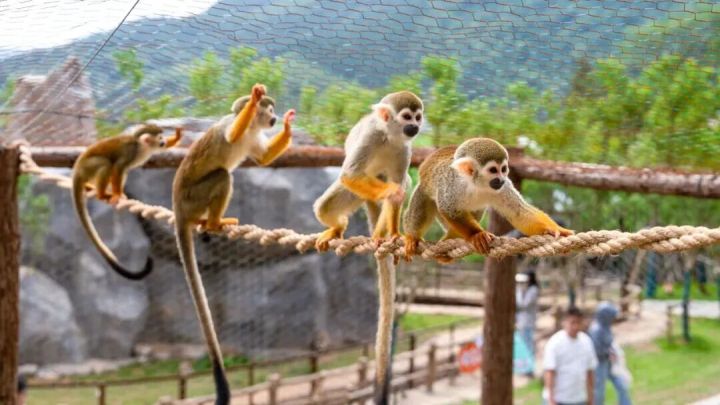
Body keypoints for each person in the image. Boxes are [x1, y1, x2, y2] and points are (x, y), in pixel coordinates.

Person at [543, 307, 598, 405]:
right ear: (564, 322)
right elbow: (549, 372)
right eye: (572, 322)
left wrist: (591, 396)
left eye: (578, 322)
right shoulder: (555, 343)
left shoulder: (586, 342)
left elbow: (590, 371)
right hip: (559, 398)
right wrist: (551, 399)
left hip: (579, 398)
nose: (575, 326)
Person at [589, 302, 632, 405]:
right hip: (599, 364)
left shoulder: (606, 327)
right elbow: (596, 350)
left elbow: (609, 343)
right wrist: (608, 353)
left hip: (609, 363)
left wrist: (613, 352)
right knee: (599, 391)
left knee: (621, 384)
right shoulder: (596, 330)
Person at [516, 270, 540, 368]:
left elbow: (523, 304)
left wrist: (519, 291)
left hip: (528, 322)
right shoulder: (524, 289)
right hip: (522, 322)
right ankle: (525, 366)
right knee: (523, 344)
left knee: (528, 344)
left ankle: (529, 367)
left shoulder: (533, 290)